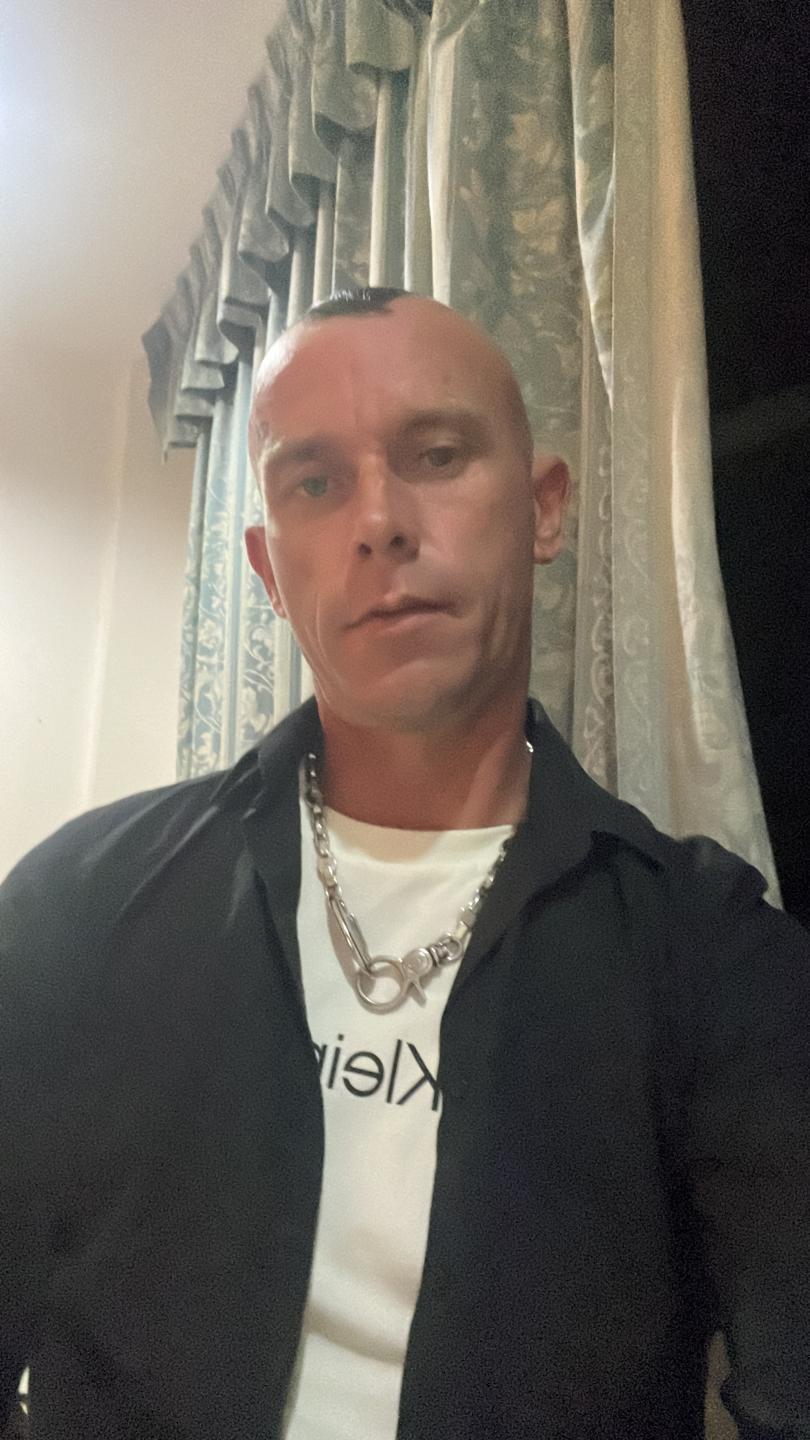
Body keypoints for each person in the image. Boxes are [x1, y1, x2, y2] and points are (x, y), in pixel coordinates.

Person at [1, 288, 808, 1440]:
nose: (379, 520)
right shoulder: (78, 903)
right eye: (315, 483)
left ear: (543, 508)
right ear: (269, 567)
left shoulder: (708, 950)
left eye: (435, 455)